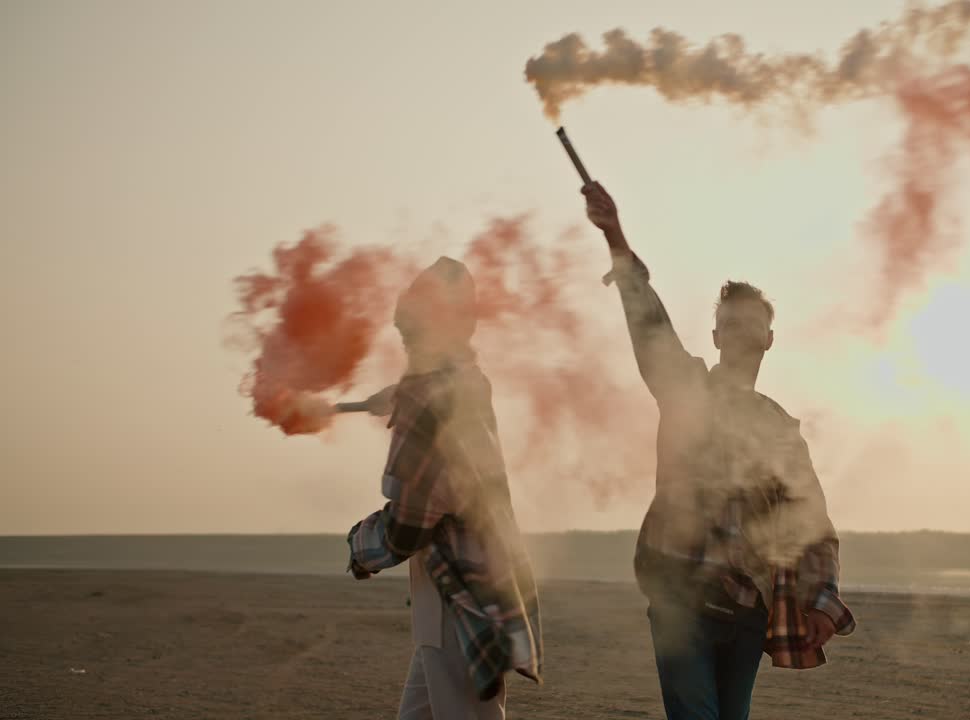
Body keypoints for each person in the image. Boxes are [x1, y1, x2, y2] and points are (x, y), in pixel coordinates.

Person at [582, 182, 855, 720]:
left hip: (748, 613)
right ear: (715, 336)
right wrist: (616, 238)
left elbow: (813, 524)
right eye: (730, 323)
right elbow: (650, 330)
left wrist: (821, 599)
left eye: (753, 323)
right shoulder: (688, 393)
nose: (741, 330)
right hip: (683, 605)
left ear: (770, 339)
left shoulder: (779, 429)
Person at [344, 257, 541, 720]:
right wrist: (401, 393)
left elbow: (410, 524)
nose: (407, 339)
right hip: (465, 596)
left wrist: (360, 547)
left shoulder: (429, 399)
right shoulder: (467, 384)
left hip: (460, 601)